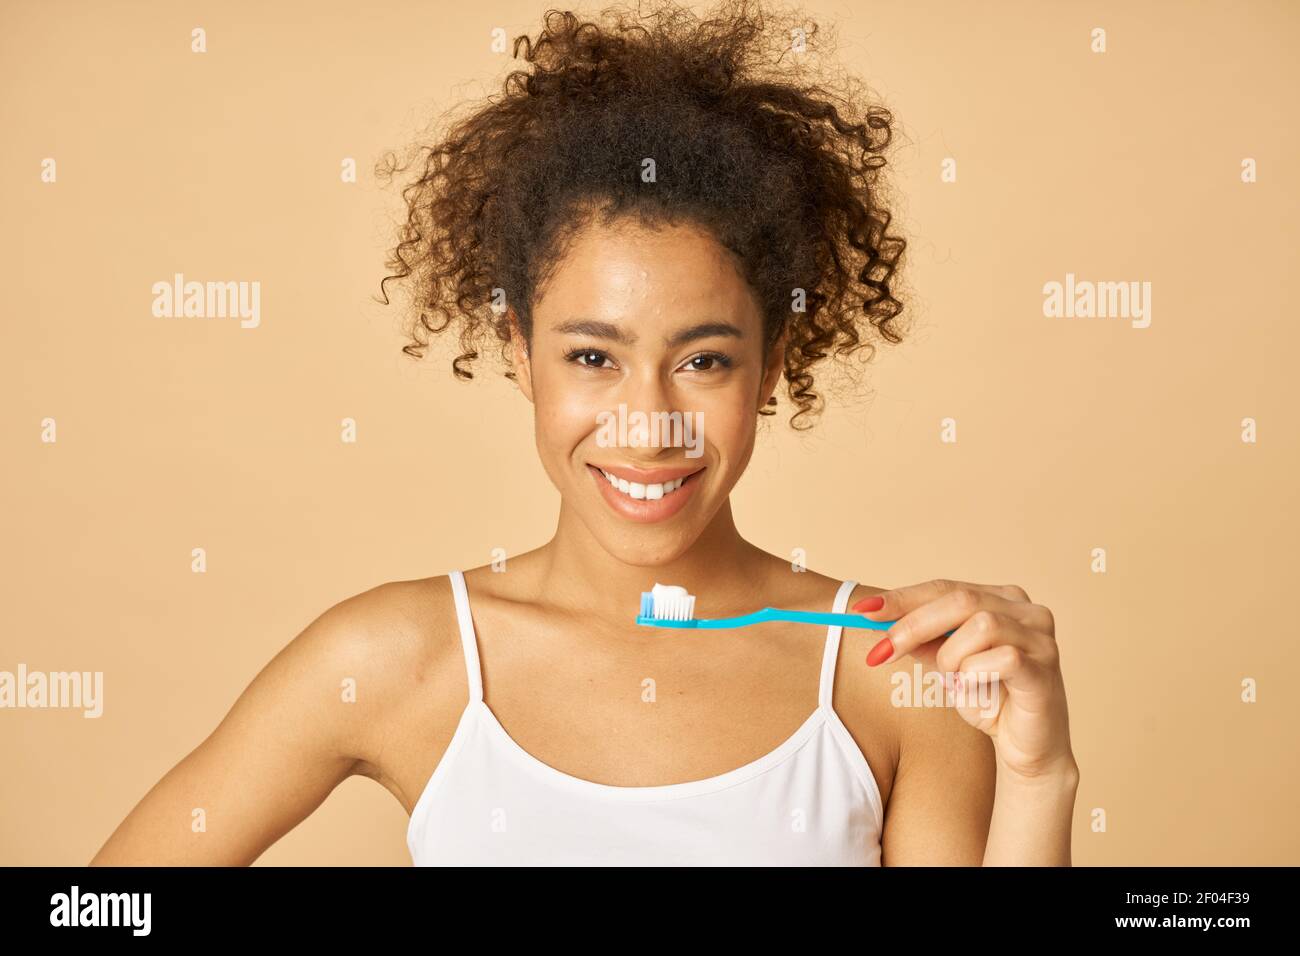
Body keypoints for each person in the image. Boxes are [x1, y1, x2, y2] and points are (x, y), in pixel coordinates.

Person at [92, 0, 1077, 866]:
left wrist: (1040, 774)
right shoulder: (404, 655)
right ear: (517, 348)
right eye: (593, 357)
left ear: (773, 360)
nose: (646, 424)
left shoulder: (888, 671)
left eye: (703, 359)